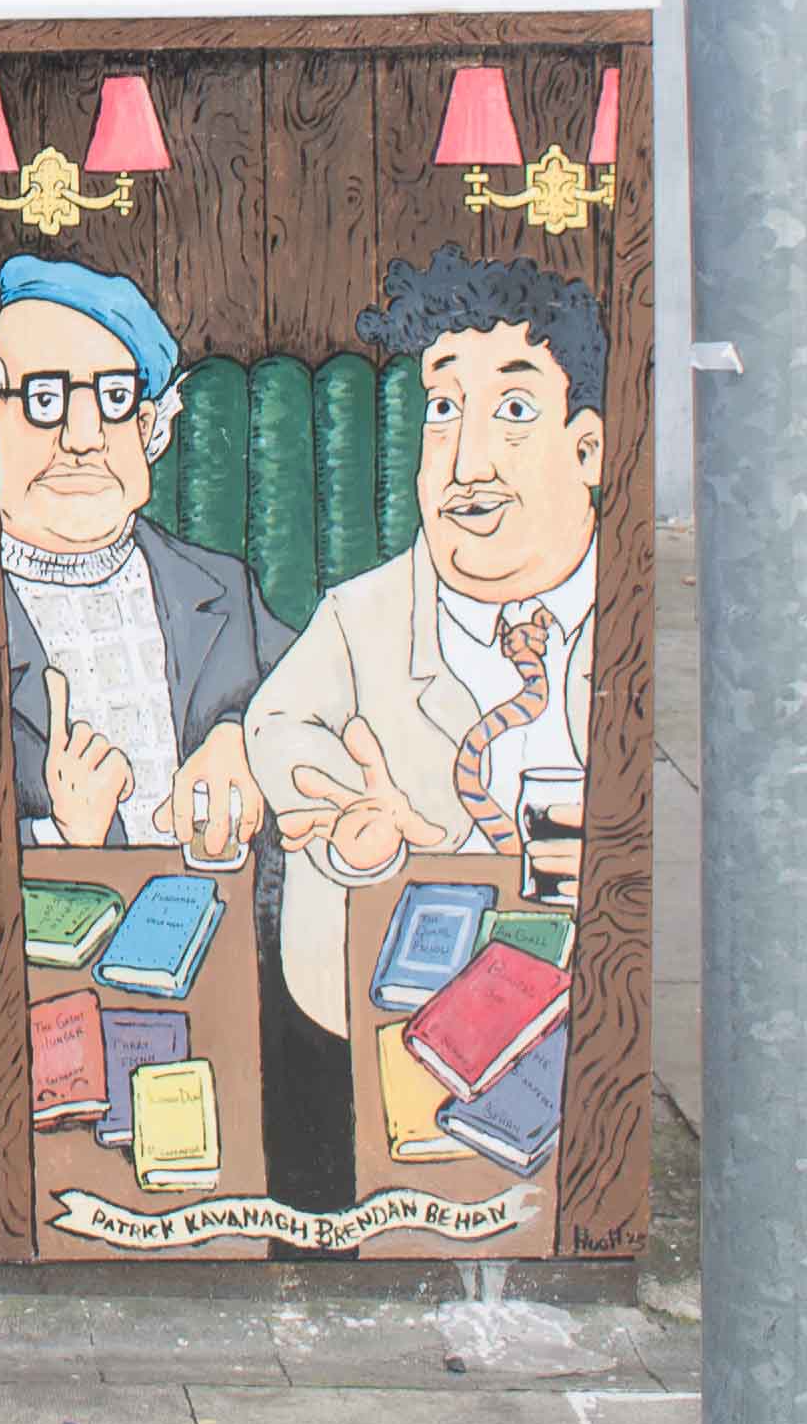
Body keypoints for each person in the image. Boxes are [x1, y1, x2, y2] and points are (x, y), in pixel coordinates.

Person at [243, 245, 608, 1036]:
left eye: (514, 411)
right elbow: (276, 726)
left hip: (588, 1008)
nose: (466, 464)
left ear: (587, 449)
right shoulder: (361, 616)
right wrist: (352, 816)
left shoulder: (623, 615)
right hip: (394, 1014)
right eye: (444, 408)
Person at [0, 254, 283, 857]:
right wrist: (63, 836)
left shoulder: (223, 588)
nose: (83, 437)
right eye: (45, 398)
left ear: (148, 427)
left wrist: (248, 738)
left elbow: (334, 704)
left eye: (114, 397)